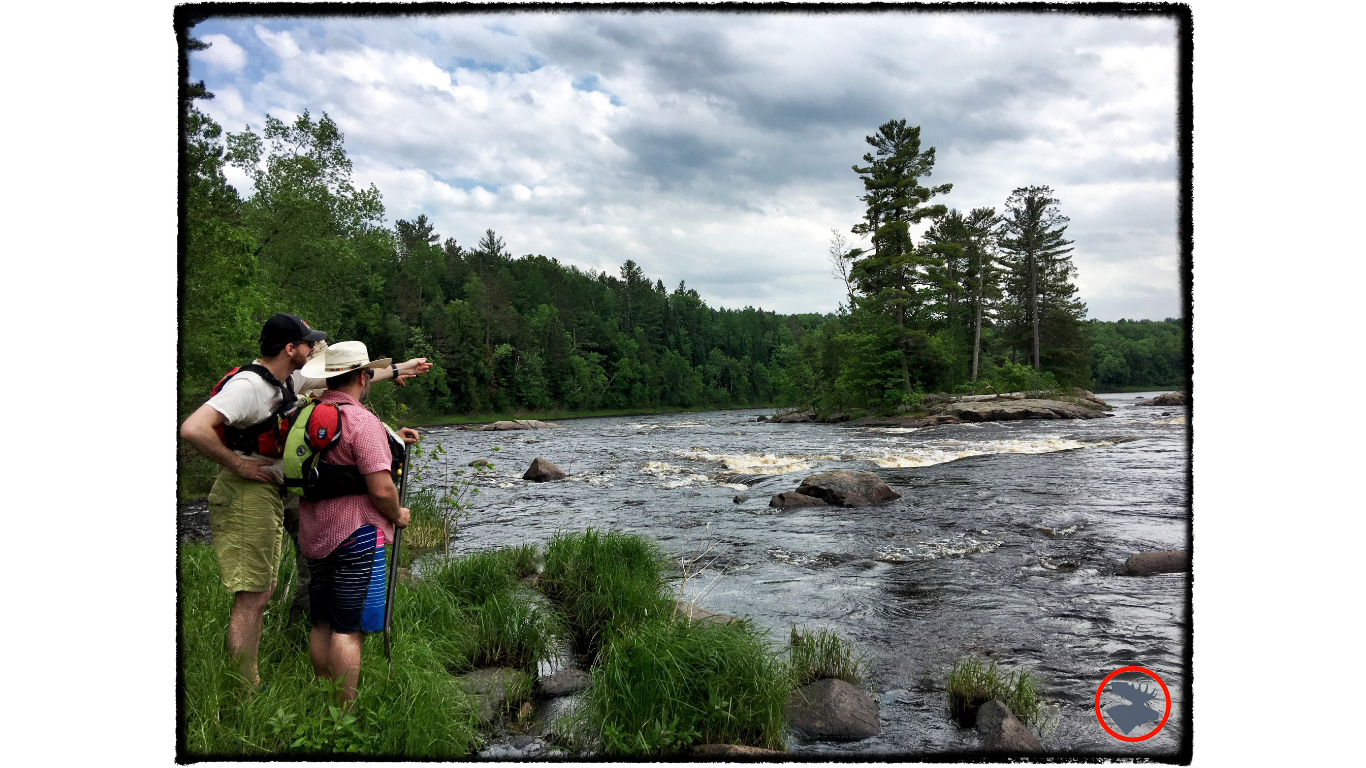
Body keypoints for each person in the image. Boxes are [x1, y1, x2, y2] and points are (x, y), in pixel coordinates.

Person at [179, 314, 430, 690]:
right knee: (254, 593)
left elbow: (349, 377)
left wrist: (399, 369)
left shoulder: (288, 380)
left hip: (279, 489)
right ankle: (245, 689)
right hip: (248, 488)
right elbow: (192, 429)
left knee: (278, 593)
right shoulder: (249, 386)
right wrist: (239, 466)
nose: (314, 348)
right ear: (290, 348)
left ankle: (274, 673)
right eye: (308, 342)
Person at [294, 341, 414, 703]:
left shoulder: (307, 415)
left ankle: (323, 699)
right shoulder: (362, 421)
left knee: (322, 622)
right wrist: (397, 515)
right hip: (356, 536)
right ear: (363, 377)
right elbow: (380, 489)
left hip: (313, 533)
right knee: (348, 631)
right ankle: (343, 718)